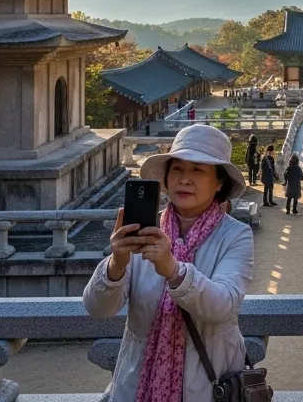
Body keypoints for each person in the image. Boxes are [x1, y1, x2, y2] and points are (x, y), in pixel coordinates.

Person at [84, 124, 254, 402]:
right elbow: (97, 309)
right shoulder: (146, 230)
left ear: (219, 182)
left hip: (207, 383)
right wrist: (116, 263)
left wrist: (173, 271)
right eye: (178, 169)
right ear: (166, 177)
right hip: (139, 380)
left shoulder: (235, 235)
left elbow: (223, 306)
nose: (185, 179)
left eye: (198, 170)